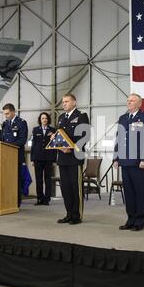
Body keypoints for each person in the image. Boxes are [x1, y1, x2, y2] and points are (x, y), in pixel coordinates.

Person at [114, 93, 144, 231]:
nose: (129, 102)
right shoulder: (123, 118)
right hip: (125, 161)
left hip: (138, 162)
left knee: (139, 192)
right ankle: (130, 219)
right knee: (129, 192)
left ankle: (139, 221)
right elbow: (118, 138)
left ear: (139, 103)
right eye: (128, 100)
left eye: (132, 101)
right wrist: (116, 158)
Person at [54, 94, 90, 225]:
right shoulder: (61, 118)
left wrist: (73, 148)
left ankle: (77, 215)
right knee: (66, 188)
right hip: (62, 157)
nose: (64, 104)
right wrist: (55, 139)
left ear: (74, 102)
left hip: (75, 157)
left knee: (75, 187)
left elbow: (85, 137)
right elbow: (60, 135)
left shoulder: (81, 116)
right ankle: (68, 213)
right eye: (63, 102)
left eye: (67, 101)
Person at [1, 103, 28, 207]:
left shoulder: (21, 123)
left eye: (7, 113)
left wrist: (8, 146)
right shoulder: (5, 123)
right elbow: (3, 139)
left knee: (16, 180)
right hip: (5, 157)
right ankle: (7, 200)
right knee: (6, 179)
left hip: (16, 156)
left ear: (13, 112)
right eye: (4, 114)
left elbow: (22, 140)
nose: (6, 116)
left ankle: (16, 202)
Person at [30, 112, 57, 206]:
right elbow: (33, 144)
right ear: (40, 120)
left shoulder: (53, 130)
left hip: (49, 158)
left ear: (48, 119)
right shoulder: (35, 130)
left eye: (46, 118)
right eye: (42, 118)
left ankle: (47, 199)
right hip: (37, 157)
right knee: (39, 179)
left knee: (48, 179)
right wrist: (32, 159)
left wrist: (54, 160)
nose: (44, 120)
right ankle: (39, 198)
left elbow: (55, 145)